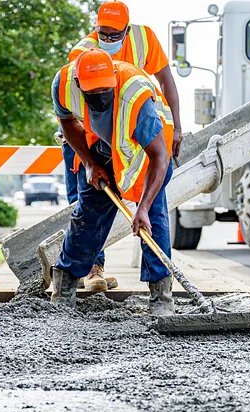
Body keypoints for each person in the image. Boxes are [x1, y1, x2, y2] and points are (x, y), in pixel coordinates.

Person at [62, 0, 183, 292]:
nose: (108, 39)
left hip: (136, 134)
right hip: (91, 141)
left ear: (127, 31)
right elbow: (68, 121)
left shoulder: (136, 90)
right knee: (88, 210)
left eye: (115, 35)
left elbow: (166, 81)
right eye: (103, 33)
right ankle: (79, 276)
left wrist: (177, 127)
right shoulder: (76, 65)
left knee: (153, 212)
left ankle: (160, 290)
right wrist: (90, 163)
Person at [50, 48, 175, 315]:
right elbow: (68, 123)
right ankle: (63, 290)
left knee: (153, 219)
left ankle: (161, 298)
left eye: (104, 92)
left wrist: (142, 207)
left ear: (114, 80)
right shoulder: (62, 84)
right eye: (91, 93)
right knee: (87, 217)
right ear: (78, 85)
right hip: (99, 151)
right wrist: (88, 162)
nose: (99, 99)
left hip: (144, 156)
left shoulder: (135, 96)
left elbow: (159, 157)